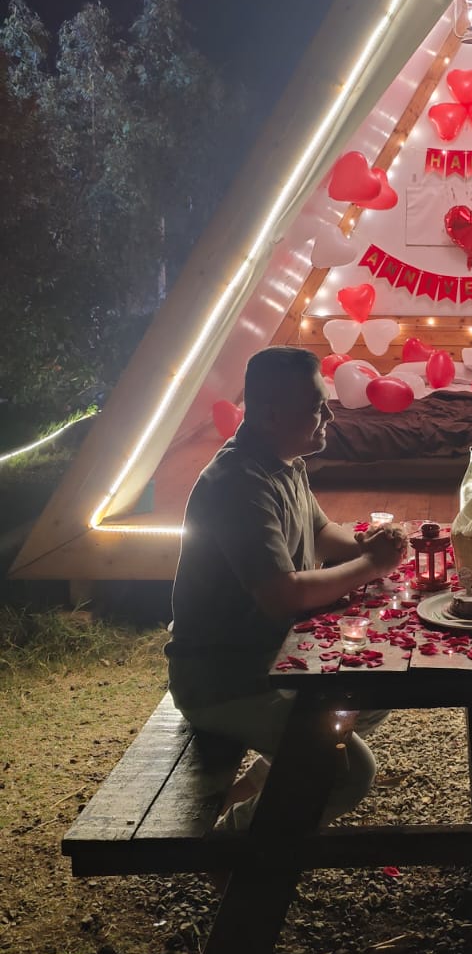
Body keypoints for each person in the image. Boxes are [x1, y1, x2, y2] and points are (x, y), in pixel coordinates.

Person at [166, 346, 406, 831]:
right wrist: (367, 567)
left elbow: (320, 532)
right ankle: (232, 848)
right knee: (350, 771)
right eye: (317, 405)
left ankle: (265, 779)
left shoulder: (283, 460)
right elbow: (282, 594)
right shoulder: (239, 482)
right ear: (274, 412)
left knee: (378, 687)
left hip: (277, 658)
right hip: (228, 680)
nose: (329, 415)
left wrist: (366, 544)